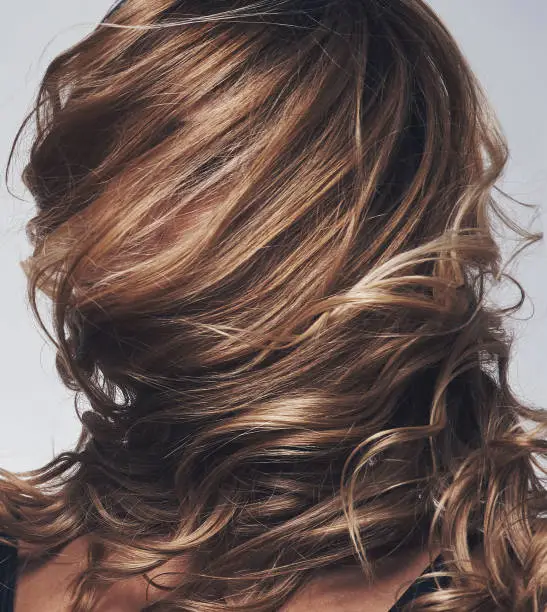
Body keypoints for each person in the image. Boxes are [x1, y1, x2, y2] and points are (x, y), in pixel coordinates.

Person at [1, 0, 546, 610]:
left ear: (356, 219)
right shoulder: (15, 548)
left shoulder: (506, 589)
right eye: (107, 165)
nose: (108, 219)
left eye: (200, 168)